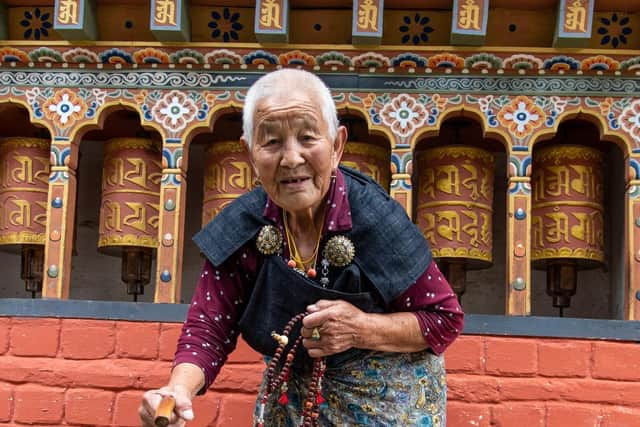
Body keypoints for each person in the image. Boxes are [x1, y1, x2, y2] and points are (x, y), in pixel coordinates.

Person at [139, 69, 464, 427]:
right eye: (272, 142)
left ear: (337, 145)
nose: (291, 159)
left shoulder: (374, 217)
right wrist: (177, 390)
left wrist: (361, 329)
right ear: (250, 153)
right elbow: (209, 327)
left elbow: (444, 319)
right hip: (291, 404)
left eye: (307, 137)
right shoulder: (244, 227)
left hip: (389, 404)